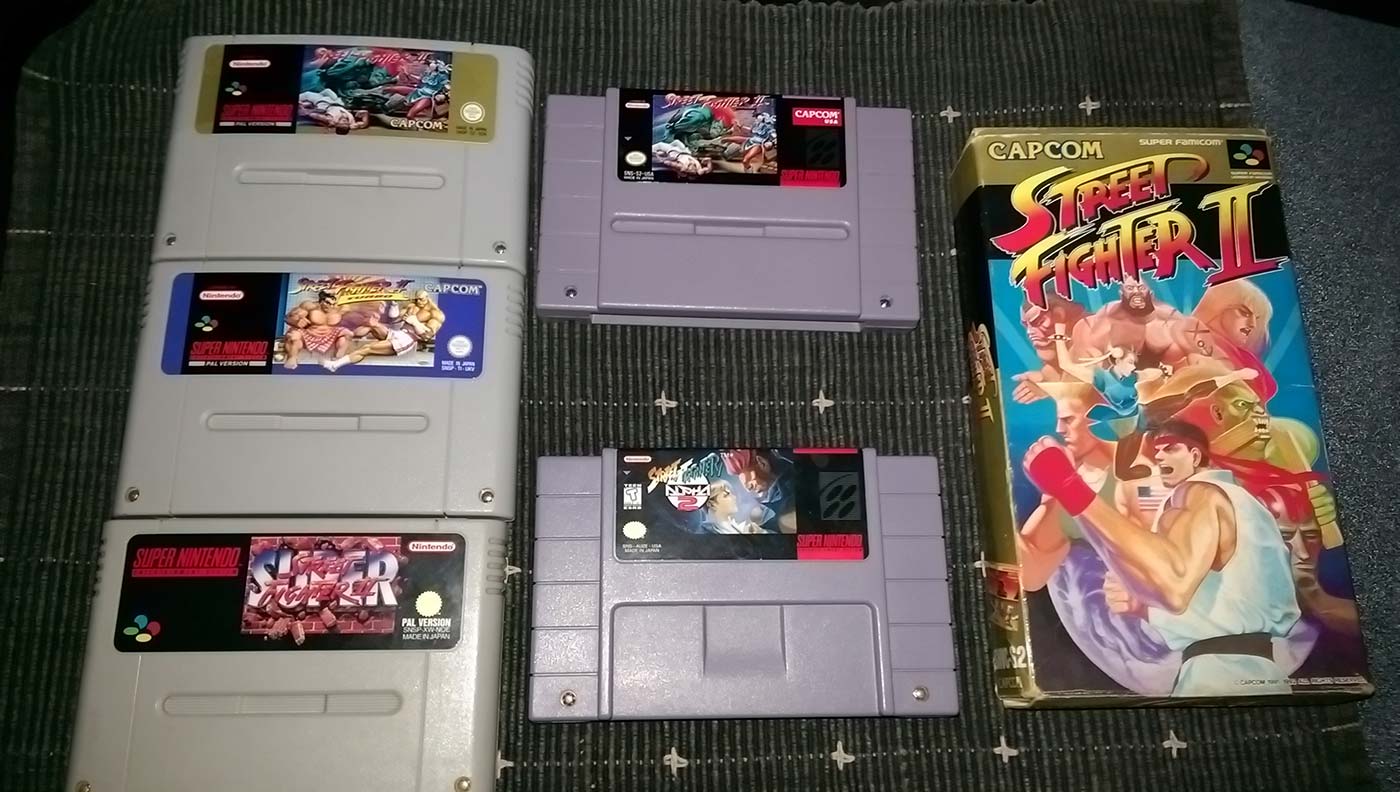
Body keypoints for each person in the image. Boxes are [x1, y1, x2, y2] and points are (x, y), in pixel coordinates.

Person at [1023, 419, 1301, 696]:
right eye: (1157, 450)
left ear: (1195, 456)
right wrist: (1143, 606)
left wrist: (1067, 485)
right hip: (1260, 674)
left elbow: (1174, 585)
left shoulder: (1200, 492)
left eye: (1170, 448)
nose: (1159, 456)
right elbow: (1227, 603)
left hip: (1218, 676)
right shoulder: (1244, 505)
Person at [322, 291, 444, 372]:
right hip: (399, 333)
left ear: (427, 298)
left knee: (367, 348)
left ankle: (334, 365)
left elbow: (427, 336)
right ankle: (347, 336)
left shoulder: (435, 314)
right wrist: (394, 306)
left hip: (407, 339)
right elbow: (394, 319)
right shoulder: (412, 307)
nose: (418, 302)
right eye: (416, 299)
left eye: (421, 299)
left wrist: (415, 323)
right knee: (372, 324)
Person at [719, 450, 797, 533]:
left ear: (762, 463)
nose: (750, 491)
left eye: (751, 485)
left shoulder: (789, 491)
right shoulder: (775, 498)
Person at [283, 290, 352, 369]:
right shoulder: (310, 306)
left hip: (330, 335)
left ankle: (337, 358)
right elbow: (288, 318)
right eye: (327, 303)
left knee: (348, 334)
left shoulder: (342, 309)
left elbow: (359, 320)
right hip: (310, 333)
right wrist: (296, 322)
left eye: (333, 304)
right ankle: (292, 357)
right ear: (321, 301)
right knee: (294, 336)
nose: (330, 306)